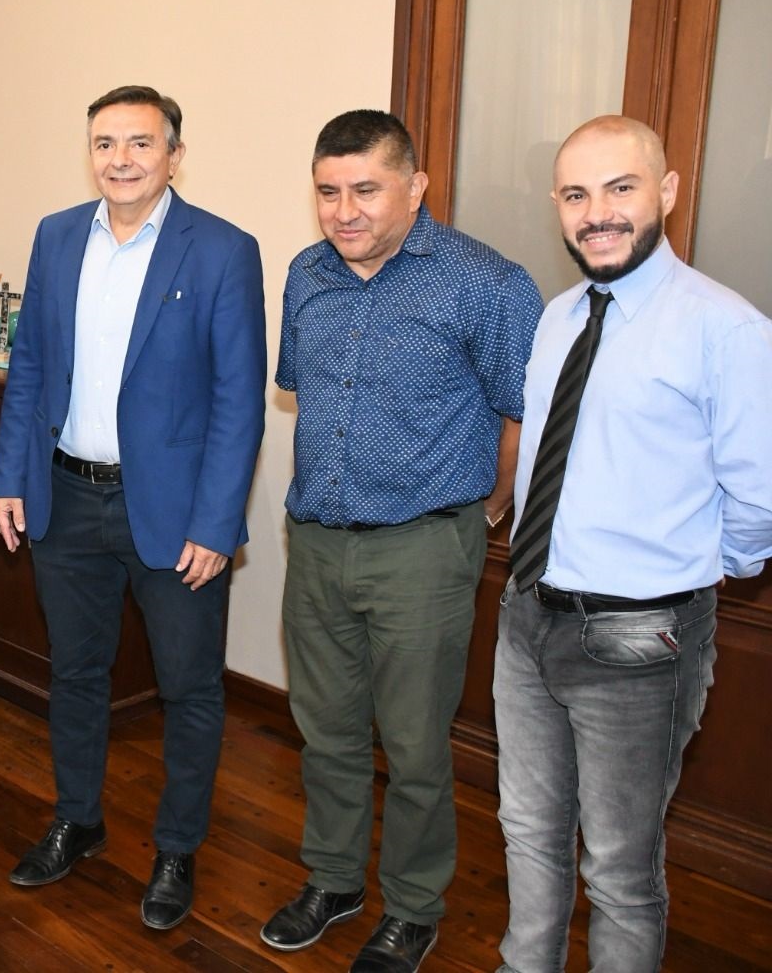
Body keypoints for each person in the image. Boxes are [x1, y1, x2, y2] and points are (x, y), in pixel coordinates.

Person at [264, 109, 541, 973]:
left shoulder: (486, 283)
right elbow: (303, 391)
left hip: (423, 549)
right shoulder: (307, 274)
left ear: (416, 187)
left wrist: (486, 513)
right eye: (328, 192)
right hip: (316, 542)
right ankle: (335, 879)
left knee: (416, 745)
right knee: (327, 732)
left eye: (365, 190)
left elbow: (523, 415)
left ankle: (414, 907)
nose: (343, 211)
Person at [495, 115, 772, 973]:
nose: (598, 213)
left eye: (621, 188)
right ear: (557, 205)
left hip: (638, 638)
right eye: (577, 195)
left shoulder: (725, 328)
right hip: (526, 617)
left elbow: (759, 498)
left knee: (618, 870)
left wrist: (682, 575)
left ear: (668, 191)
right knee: (527, 831)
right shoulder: (557, 317)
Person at [0, 85, 266, 930]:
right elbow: (29, 366)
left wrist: (216, 523)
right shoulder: (56, 235)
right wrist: (11, 476)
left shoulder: (222, 250)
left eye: (141, 143)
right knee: (75, 674)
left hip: (175, 516)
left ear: (174, 156)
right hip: (65, 499)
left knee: (189, 687)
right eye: (105, 143)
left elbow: (239, 401)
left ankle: (177, 849)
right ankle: (77, 820)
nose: (121, 159)